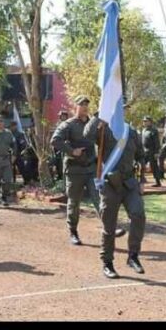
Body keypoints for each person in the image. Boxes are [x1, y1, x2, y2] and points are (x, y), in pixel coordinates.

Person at [50, 95, 125, 245]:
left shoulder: (94, 124)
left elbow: (103, 141)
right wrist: (72, 151)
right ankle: (73, 232)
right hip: (74, 170)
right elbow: (55, 140)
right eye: (81, 104)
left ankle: (110, 228)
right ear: (75, 107)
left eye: (86, 105)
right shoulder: (68, 125)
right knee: (74, 202)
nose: (84, 107)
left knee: (99, 199)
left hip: (91, 168)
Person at [83, 115, 147, 279]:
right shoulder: (103, 129)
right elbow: (87, 136)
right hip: (110, 184)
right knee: (109, 225)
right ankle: (107, 263)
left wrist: (141, 180)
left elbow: (141, 155)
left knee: (138, 214)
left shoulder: (130, 131)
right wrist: (99, 116)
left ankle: (133, 256)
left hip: (129, 183)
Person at [141, 116, 162, 187]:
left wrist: (156, 152)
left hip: (152, 151)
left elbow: (157, 142)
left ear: (150, 122)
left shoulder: (154, 130)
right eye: (144, 121)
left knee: (154, 167)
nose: (144, 122)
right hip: (144, 151)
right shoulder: (143, 130)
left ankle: (158, 182)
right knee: (141, 165)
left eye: (146, 121)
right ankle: (142, 179)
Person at [52, 110, 69, 181]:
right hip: (58, 147)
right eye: (61, 116)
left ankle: (64, 176)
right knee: (58, 161)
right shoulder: (58, 124)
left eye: (63, 116)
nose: (62, 117)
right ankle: (59, 176)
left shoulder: (69, 124)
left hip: (66, 146)